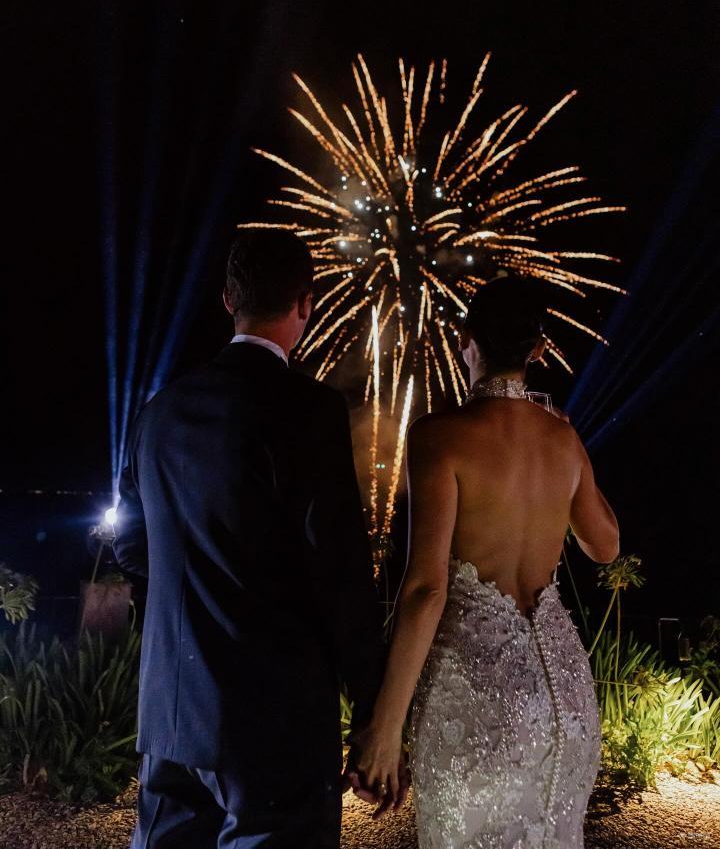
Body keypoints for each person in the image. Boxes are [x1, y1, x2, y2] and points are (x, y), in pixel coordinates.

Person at [114, 229, 388, 849]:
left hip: (171, 715)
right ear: (306, 303)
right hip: (273, 719)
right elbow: (339, 570)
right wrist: (373, 707)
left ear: (227, 299)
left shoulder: (160, 410)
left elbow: (130, 546)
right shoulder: (310, 410)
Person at [351, 276, 620, 848]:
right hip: (565, 697)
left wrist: (385, 728)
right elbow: (606, 545)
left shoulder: (441, 437)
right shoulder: (563, 440)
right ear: (538, 349)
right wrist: (572, 449)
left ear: (464, 339)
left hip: (480, 696)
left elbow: (425, 590)